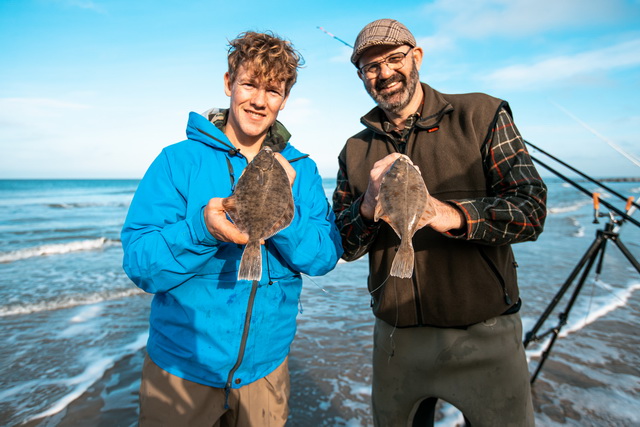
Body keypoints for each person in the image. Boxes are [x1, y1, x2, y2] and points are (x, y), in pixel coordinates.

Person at [332, 19, 547, 426]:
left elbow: (531, 210)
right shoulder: (355, 149)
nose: (385, 73)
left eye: (394, 59)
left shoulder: (481, 114)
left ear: (417, 57)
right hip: (396, 339)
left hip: (482, 332)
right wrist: (366, 208)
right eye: (370, 67)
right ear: (361, 76)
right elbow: (344, 244)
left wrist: (446, 214)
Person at [122, 31, 343, 426]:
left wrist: (285, 213)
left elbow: (325, 256)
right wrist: (201, 230)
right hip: (182, 368)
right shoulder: (178, 162)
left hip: (266, 367)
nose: (259, 100)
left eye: (273, 90)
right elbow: (140, 264)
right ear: (229, 84)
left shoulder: (302, 169)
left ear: (285, 97)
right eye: (249, 85)